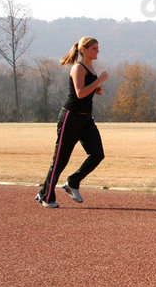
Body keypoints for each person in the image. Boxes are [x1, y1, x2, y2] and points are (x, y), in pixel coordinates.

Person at [35, 37, 109, 208]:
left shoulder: (90, 68)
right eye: (94, 49)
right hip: (71, 117)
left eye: (98, 48)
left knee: (97, 154)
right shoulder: (78, 68)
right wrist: (99, 81)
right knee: (61, 158)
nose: (97, 51)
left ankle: (73, 182)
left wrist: (97, 89)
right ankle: (46, 195)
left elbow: (88, 92)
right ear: (83, 49)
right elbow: (80, 93)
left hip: (85, 118)